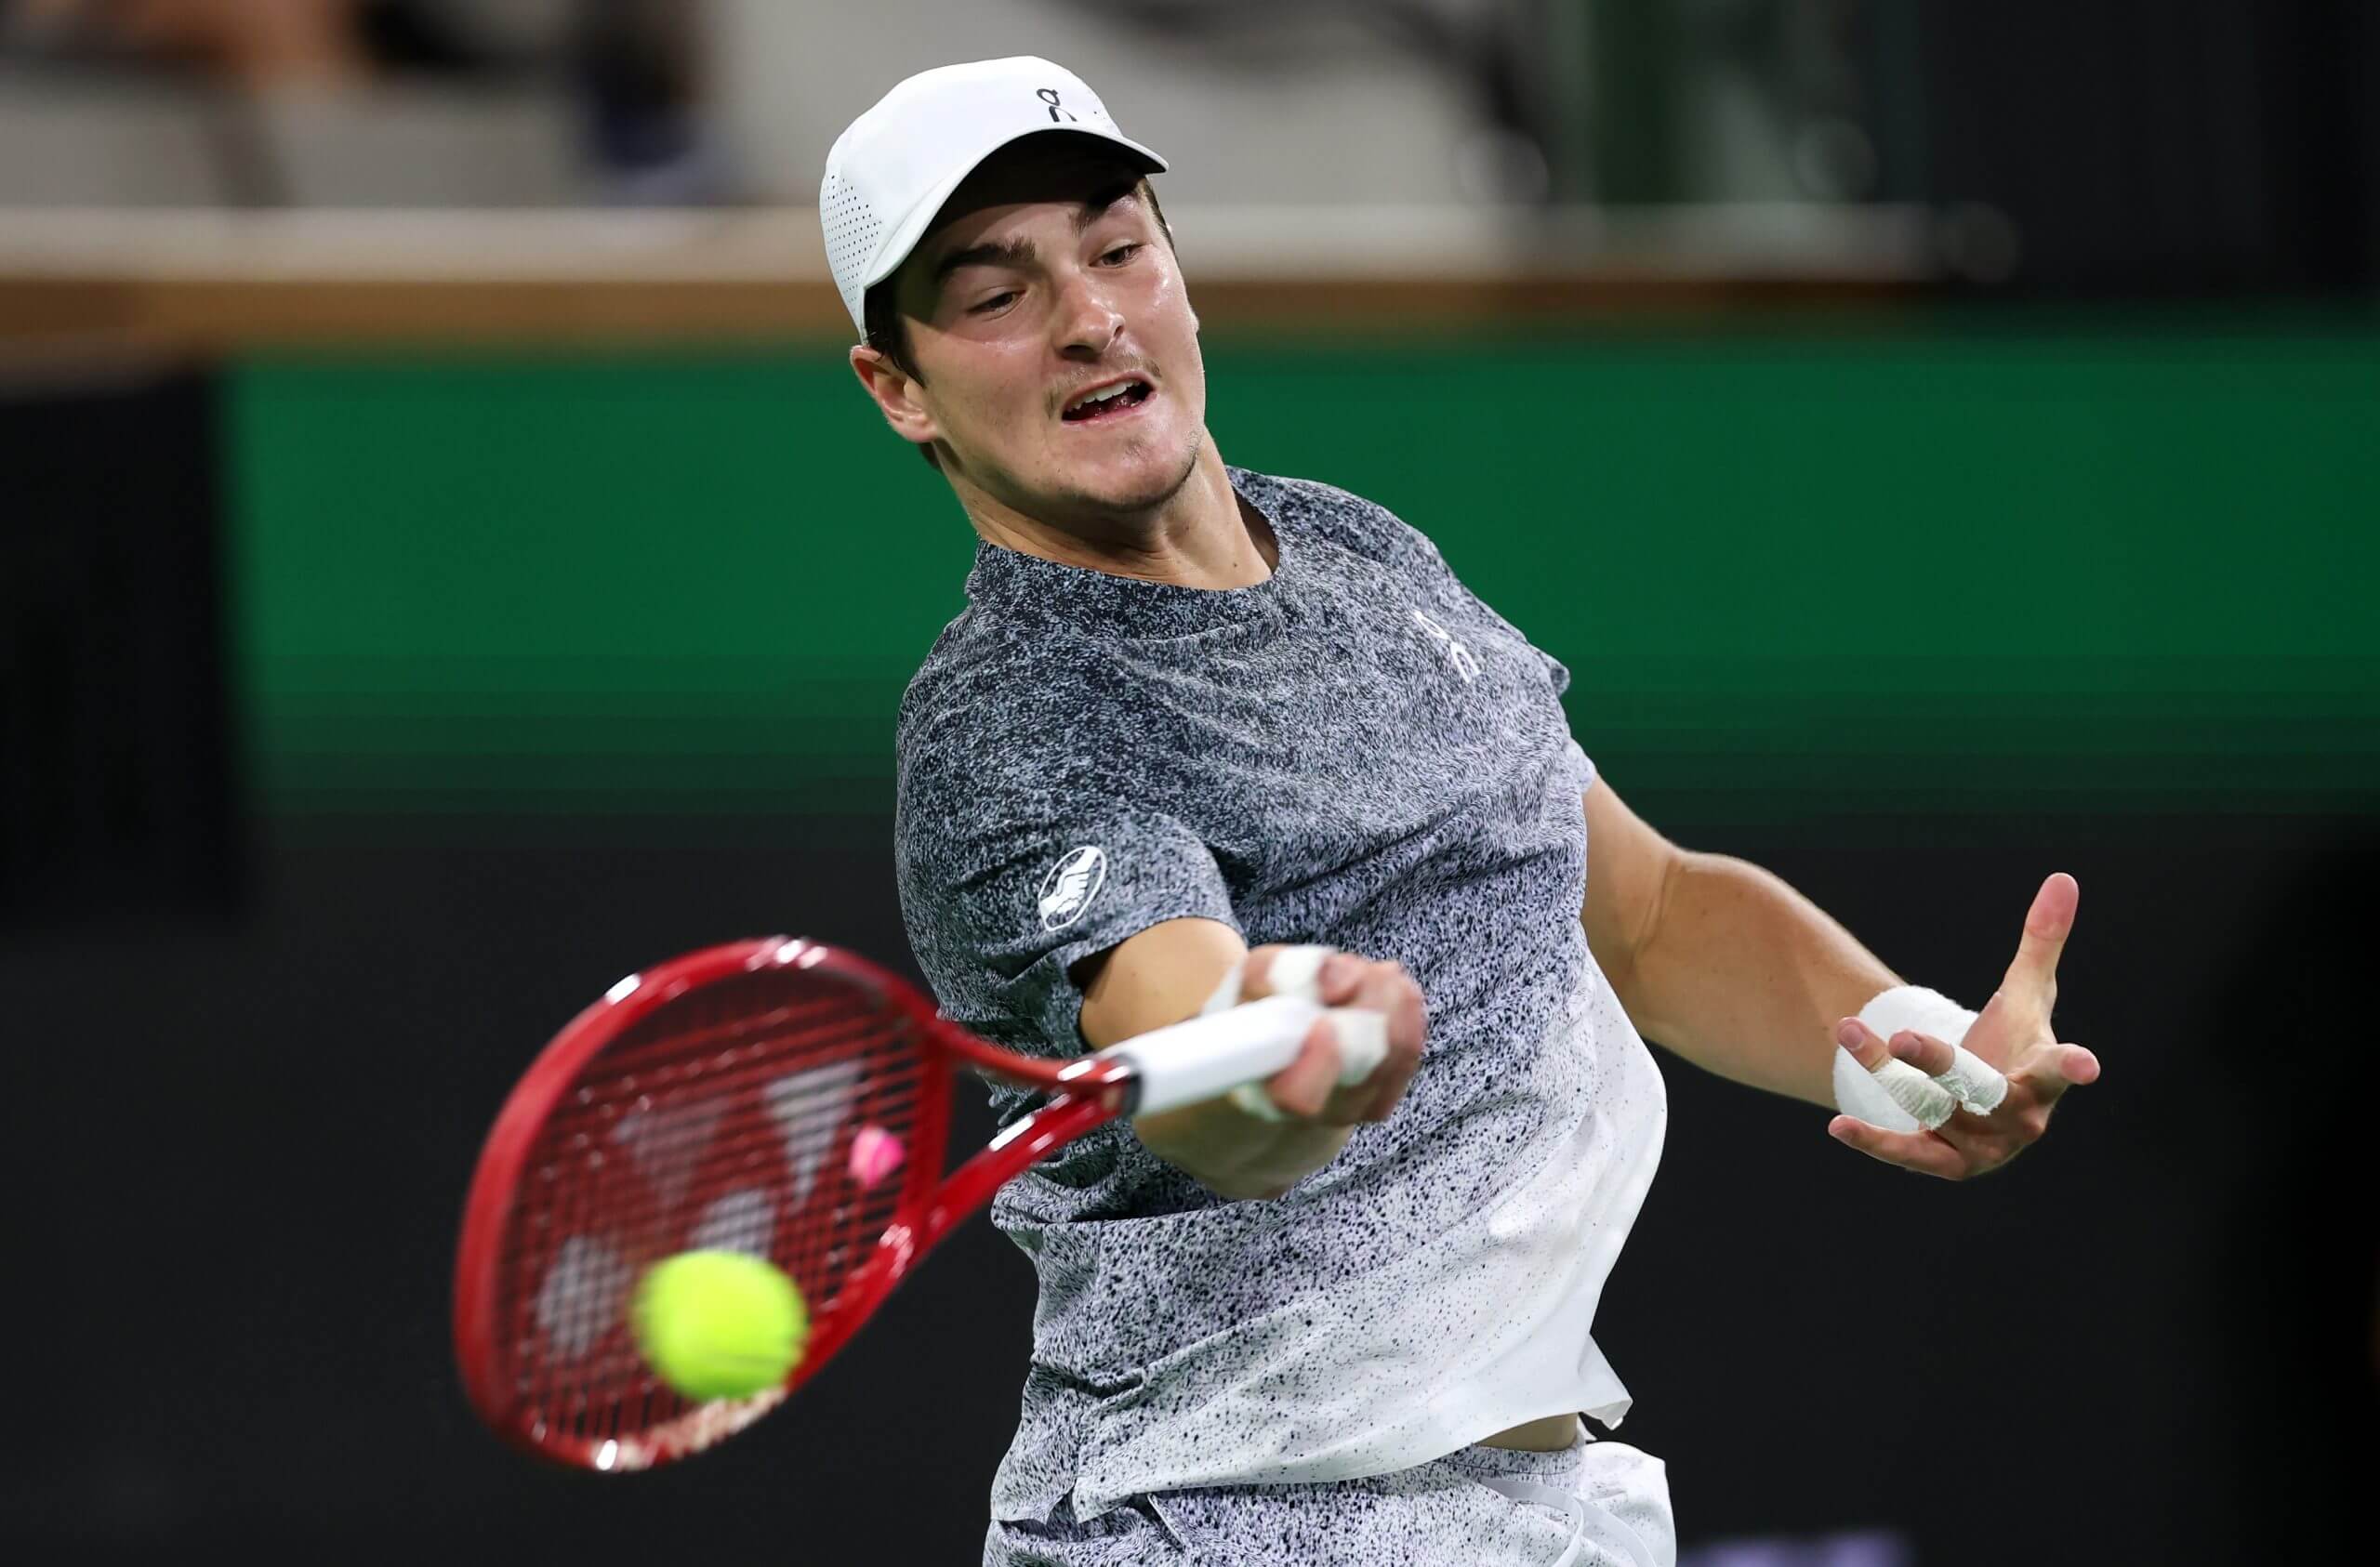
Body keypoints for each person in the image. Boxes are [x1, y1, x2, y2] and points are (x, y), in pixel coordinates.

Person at [823, 56, 2101, 1567]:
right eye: (995, 292)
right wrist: (1275, 1039)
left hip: (1528, 1516)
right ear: (898, 387)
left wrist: (1921, 1049)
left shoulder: (1365, 558)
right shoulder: (1012, 718)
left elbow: (1645, 910)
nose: (1090, 316)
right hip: (1218, 1530)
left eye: (1116, 247)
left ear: (1176, 269)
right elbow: (1184, 1035)